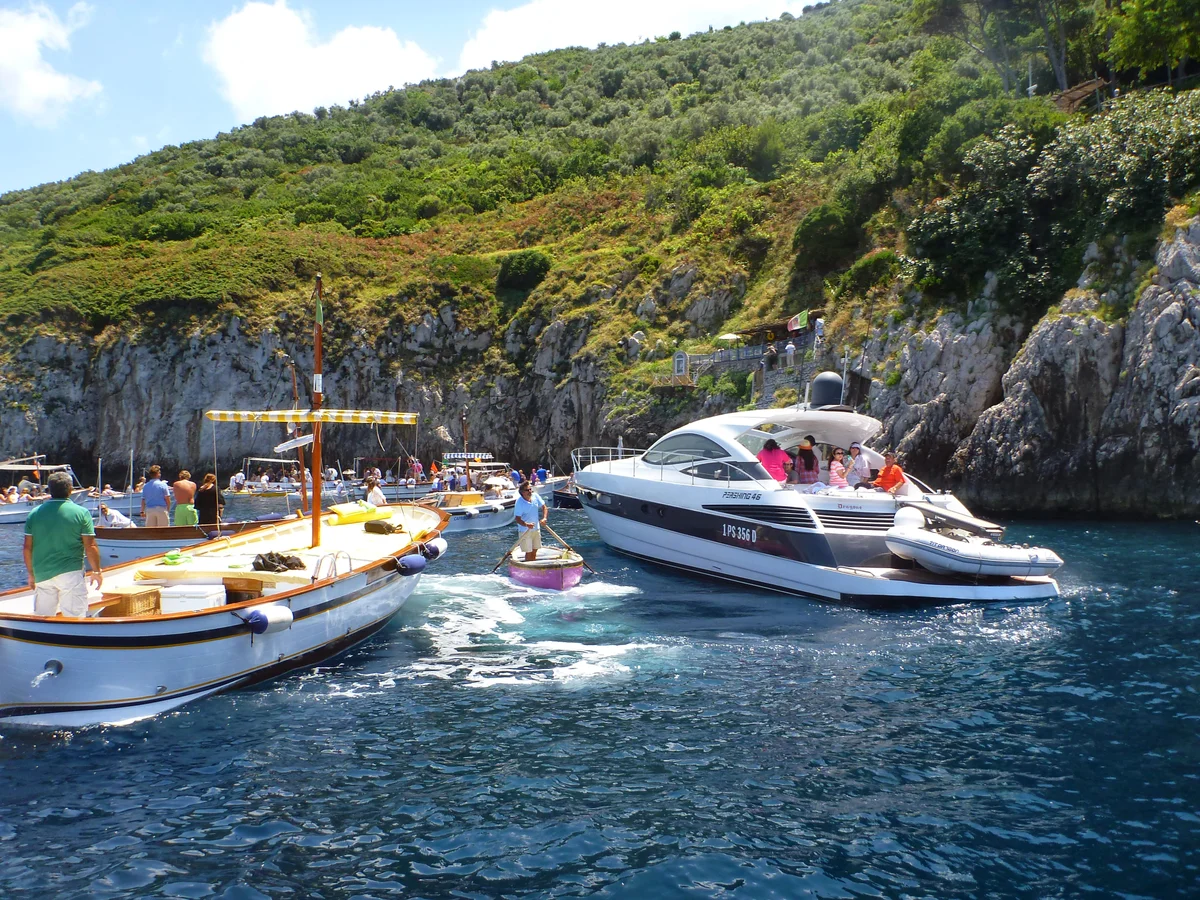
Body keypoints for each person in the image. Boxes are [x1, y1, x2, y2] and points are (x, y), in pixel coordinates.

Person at [23, 472, 102, 616]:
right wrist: (96, 571)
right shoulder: (82, 513)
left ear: (50, 490)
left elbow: (27, 548)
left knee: (43, 619)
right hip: (71, 573)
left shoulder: (34, 514)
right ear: (70, 489)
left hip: (42, 574)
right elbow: (90, 546)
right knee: (74, 620)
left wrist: (31, 574)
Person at [513, 479, 548, 562]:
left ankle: (533, 565)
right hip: (525, 531)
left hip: (536, 529)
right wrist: (526, 524)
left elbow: (544, 507)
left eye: (530, 489)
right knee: (528, 552)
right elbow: (517, 519)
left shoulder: (535, 496)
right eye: (527, 490)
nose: (529, 491)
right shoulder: (519, 502)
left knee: (535, 550)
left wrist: (544, 518)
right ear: (522, 492)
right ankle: (529, 567)